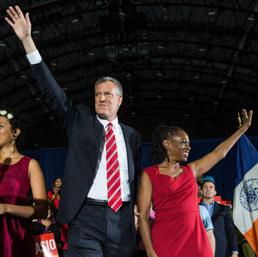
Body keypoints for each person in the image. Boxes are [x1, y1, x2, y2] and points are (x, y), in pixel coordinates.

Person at [5, 6, 141, 257]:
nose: (101, 98)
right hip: (86, 218)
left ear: (120, 100)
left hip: (122, 223)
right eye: (97, 94)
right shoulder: (79, 120)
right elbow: (51, 91)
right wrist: (27, 41)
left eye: (107, 94)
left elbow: (134, 178)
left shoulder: (132, 136)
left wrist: (136, 211)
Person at [138, 109, 252, 257]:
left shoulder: (191, 170)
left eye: (189, 143)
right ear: (167, 144)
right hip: (165, 240)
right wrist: (150, 250)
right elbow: (143, 216)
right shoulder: (149, 174)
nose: (188, 147)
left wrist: (242, 130)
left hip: (196, 240)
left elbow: (219, 153)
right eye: (183, 142)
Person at [0, 109, 48, 257]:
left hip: (15, 238)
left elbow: (42, 210)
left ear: (15, 132)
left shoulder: (30, 165)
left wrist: (6, 208)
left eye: (0, 126)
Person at [200, 176, 239, 257]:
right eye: (205, 187)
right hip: (202, 251)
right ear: (201, 191)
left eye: (211, 187)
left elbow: (231, 231)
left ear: (215, 192)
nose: (208, 189)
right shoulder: (195, 210)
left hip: (222, 252)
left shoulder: (224, 209)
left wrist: (234, 252)